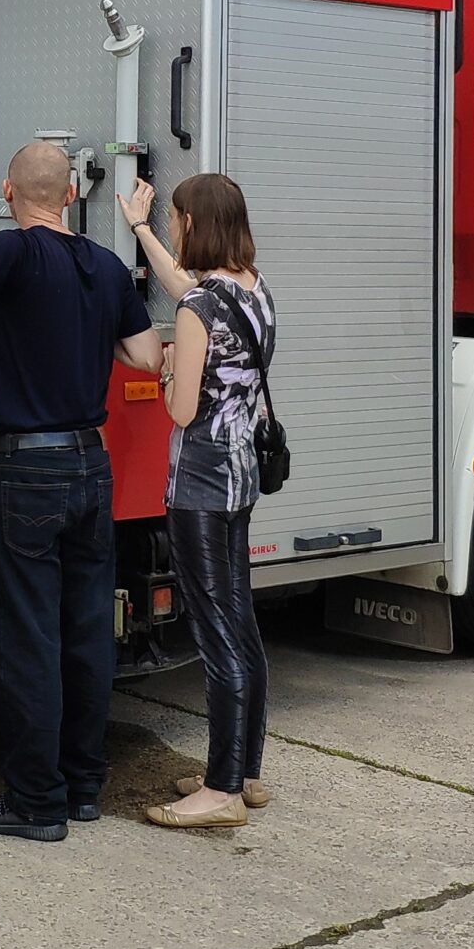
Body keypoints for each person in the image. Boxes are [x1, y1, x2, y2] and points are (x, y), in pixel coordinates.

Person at [0, 142, 162, 840]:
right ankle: (80, 788)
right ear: (72, 195)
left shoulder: (15, 254)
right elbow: (145, 357)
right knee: (83, 633)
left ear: (9, 191)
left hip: (26, 474)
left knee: (25, 642)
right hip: (90, 470)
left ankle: (35, 802)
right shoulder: (103, 266)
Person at [121, 173, 276, 830]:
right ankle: (245, 771)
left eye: (177, 219)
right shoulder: (252, 289)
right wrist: (140, 231)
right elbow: (191, 291)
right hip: (241, 477)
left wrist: (165, 375)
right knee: (241, 622)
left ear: (195, 222)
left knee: (217, 636)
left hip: (201, 487)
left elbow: (181, 410)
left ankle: (219, 793)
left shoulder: (197, 312)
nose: (176, 227)